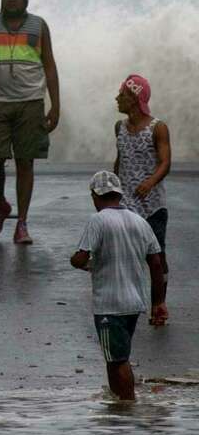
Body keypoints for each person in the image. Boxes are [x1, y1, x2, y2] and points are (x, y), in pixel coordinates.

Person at [0, 0, 61, 244]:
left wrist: (55, 105)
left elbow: (50, 66)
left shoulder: (39, 25)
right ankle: (1, 204)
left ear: (25, 0)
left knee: (25, 161)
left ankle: (22, 222)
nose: (10, 0)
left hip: (31, 102)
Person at [70, 171, 166, 401]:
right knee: (119, 356)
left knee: (116, 360)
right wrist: (158, 302)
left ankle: (127, 406)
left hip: (109, 305)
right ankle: (119, 406)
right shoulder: (139, 221)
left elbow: (81, 258)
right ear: (119, 194)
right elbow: (156, 263)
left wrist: (76, 261)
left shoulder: (98, 220)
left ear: (95, 195)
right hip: (134, 303)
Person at [113, 75, 171, 323]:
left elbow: (166, 162)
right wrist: (112, 191)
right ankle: (127, 305)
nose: (117, 99)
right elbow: (120, 160)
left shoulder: (158, 127)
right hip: (126, 205)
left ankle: (158, 304)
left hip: (153, 206)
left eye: (122, 95)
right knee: (125, 256)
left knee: (156, 259)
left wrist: (150, 182)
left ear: (136, 100)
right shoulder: (119, 127)